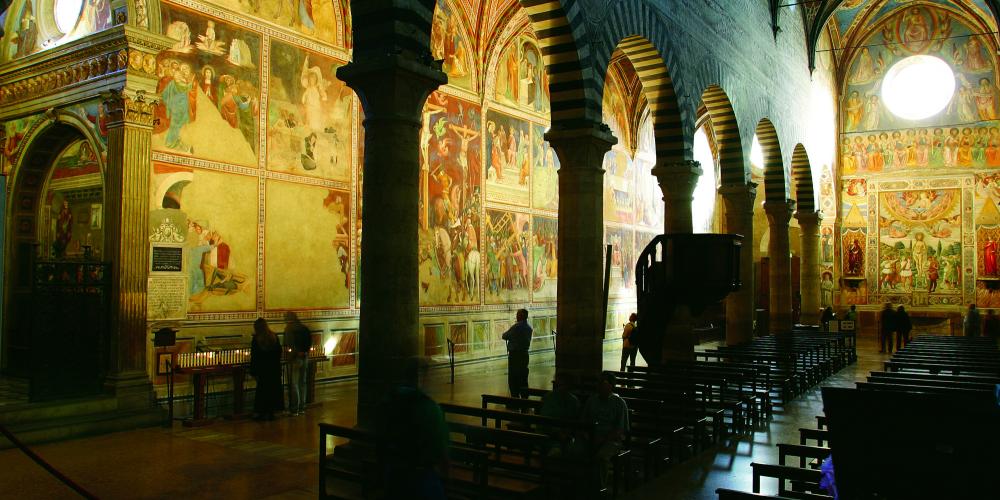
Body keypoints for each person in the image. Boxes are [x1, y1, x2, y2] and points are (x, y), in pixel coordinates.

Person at [376, 368, 450, 500]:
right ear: (421, 378)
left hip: (394, 474)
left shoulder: (390, 400)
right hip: (422, 478)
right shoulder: (429, 407)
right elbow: (441, 449)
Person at [582, 372, 630, 490]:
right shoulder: (592, 400)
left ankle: (600, 489)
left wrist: (603, 439)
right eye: (598, 383)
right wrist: (587, 435)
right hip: (592, 437)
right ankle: (582, 486)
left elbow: (620, 429)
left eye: (603, 383)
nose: (599, 386)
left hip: (612, 440)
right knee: (575, 451)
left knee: (601, 458)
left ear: (611, 386)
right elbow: (584, 422)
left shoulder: (619, 403)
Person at [539, 372, 581, 456]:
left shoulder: (548, 397)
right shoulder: (573, 400)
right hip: (551, 432)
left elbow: (574, 420)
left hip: (556, 432)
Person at [249, 318, 284, 421]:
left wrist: (253, 371)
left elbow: (255, 357)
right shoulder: (274, 337)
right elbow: (279, 353)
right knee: (273, 391)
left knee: (263, 392)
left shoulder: (257, 339)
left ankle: (262, 412)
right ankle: (271, 412)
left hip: (263, 370)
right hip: (274, 370)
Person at [284, 311, 312, 415]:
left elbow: (289, 344)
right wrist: (304, 352)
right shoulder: (304, 328)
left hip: (294, 359)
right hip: (305, 357)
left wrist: (294, 354)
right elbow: (309, 341)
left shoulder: (289, 329)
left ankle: (294, 408)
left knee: (294, 384)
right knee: (302, 383)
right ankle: (302, 408)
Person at [502, 308, 533, 398]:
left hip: (515, 355)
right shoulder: (529, 328)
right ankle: (524, 399)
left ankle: (515, 399)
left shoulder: (517, 326)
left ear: (521, 316)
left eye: (518, 314)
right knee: (523, 377)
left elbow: (505, 336)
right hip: (524, 354)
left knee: (513, 378)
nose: (516, 316)